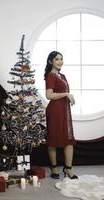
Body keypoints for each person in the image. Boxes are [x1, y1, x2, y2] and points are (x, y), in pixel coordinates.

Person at [44, 51, 78, 179]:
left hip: (65, 110)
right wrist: (66, 94)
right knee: (53, 140)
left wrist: (69, 97)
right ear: (50, 61)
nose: (60, 61)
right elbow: (49, 95)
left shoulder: (62, 76)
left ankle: (68, 169)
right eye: (57, 59)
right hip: (55, 111)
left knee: (69, 140)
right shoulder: (50, 76)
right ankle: (54, 169)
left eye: (61, 59)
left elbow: (63, 92)